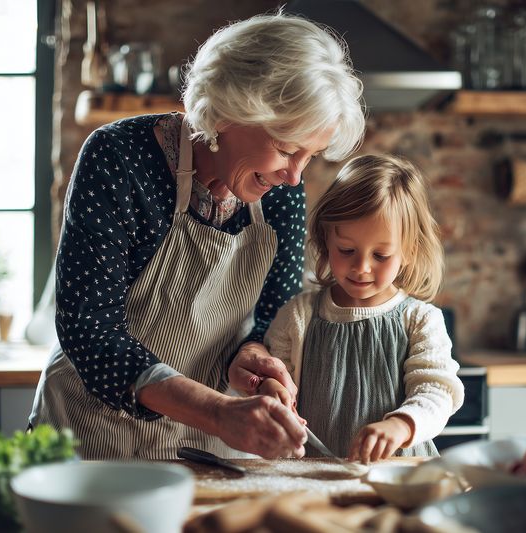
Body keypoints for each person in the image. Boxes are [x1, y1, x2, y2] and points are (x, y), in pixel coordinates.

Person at [28, 11, 365, 460]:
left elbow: (272, 312)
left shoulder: (282, 194)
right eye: (286, 149)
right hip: (90, 437)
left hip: (204, 446)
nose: (293, 176)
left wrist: (252, 355)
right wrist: (220, 413)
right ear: (229, 111)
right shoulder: (119, 158)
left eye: (310, 156)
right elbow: (90, 328)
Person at [260, 154, 465, 463]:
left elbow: (436, 392)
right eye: (347, 250)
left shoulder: (421, 320)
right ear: (326, 238)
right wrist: (274, 394)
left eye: (381, 255)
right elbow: (278, 382)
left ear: (409, 252)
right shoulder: (297, 317)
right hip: (316, 476)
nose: (362, 267)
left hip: (400, 475)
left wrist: (401, 425)